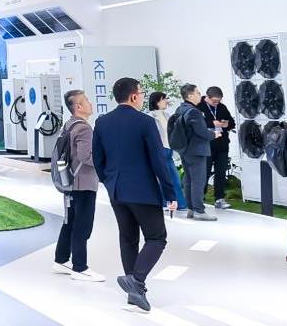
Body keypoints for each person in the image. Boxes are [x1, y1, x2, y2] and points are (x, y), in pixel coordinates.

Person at [92, 77, 179, 313]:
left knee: (128, 239)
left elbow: (97, 159)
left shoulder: (102, 122)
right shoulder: (145, 122)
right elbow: (158, 161)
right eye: (141, 94)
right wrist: (170, 192)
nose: (142, 98)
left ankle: (134, 294)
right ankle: (137, 280)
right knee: (157, 238)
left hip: (116, 191)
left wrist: (109, 181)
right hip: (143, 191)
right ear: (133, 96)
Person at [51, 89, 103, 282]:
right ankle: (80, 268)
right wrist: (105, 159)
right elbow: (86, 156)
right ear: (79, 107)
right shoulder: (84, 128)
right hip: (84, 183)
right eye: (87, 100)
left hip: (70, 181)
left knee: (70, 221)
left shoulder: (69, 124)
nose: (90, 103)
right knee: (83, 225)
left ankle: (61, 260)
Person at [169, 85, 217, 221]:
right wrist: (214, 134)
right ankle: (199, 210)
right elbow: (201, 132)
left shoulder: (180, 109)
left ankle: (191, 209)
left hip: (185, 149)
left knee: (189, 179)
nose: (200, 95)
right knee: (198, 181)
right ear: (190, 96)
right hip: (196, 150)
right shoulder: (194, 112)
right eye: (198, 92)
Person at [145, 90, 186, 214]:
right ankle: (165, 202)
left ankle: (179, 203)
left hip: (169, 149)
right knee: (163, 177)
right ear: (157, 102)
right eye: (164, 99)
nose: (166, 101)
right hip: (158, 149)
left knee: (174, 177)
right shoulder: (150, 117)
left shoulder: (167, 115)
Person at [201, 87, 235, 209]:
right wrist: (212, 123)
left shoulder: (222, 107)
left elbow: (232, 123)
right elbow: (196, 124)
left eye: (219, 101)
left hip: (222, 145)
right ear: (207, 97)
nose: (217, 103)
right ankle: (200, 197)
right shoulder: (199, 107)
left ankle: (219, 198)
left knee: (221, 172)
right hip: (207, 145)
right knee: (204, 172)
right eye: (214, 101)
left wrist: (226, 124)